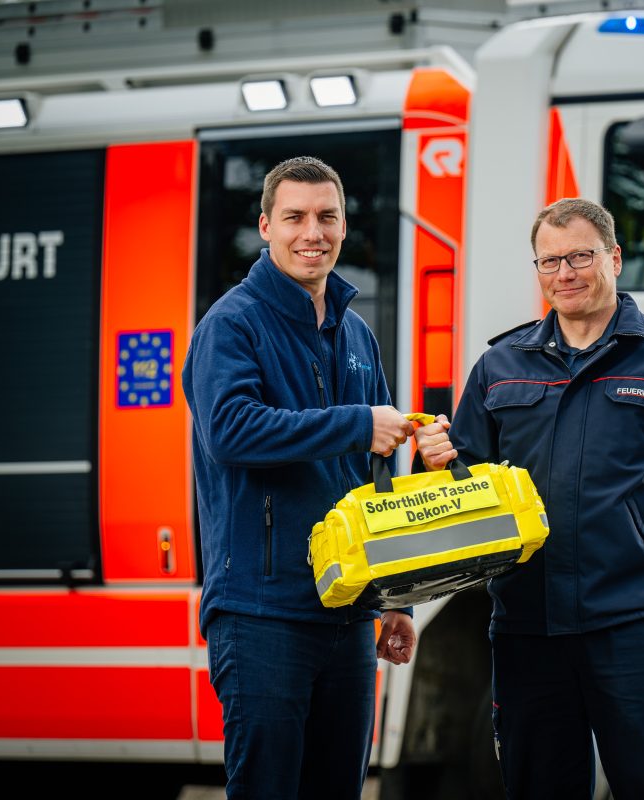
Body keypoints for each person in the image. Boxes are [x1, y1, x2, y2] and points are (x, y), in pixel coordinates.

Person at [432, 197, 644, 799]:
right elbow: (470, 492)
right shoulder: (501, 366)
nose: (565, 274)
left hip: (632, 625)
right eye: (549, 262)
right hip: (526, 627)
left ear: (615, 259)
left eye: (580, 256)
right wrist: (445, 465)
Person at [181, 156, 452, 799]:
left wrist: (394, 599)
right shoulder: (231, 324)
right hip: (261, 611)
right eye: (295, 217)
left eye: (327, 217)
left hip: (351, 609)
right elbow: (232, 431)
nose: (313, 232)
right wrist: (357, 422)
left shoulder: (355, 331)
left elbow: (377, 476)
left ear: (343, 224)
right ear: (265, 226)